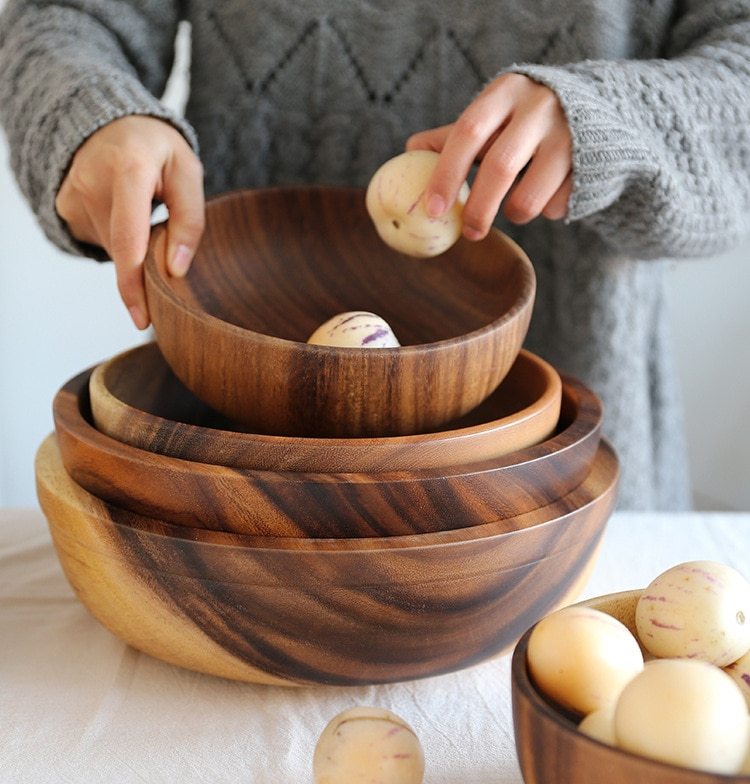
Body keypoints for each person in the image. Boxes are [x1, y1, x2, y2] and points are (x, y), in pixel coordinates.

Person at [1, 2, 748, 510]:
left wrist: (617, 119)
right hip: (240, 453)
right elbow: (65, 17)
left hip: (563, 473)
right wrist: (91, 116)